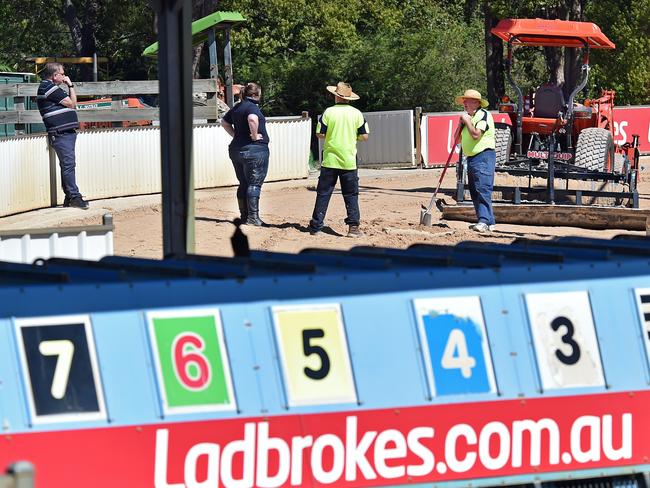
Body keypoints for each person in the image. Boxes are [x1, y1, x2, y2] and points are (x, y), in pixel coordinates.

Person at [308, 82, 369, 237]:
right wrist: (351, 136)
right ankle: (353, 228)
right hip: (348, 159)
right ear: (349, 98)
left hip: (330, 159)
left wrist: (333, 135)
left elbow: (319, 134)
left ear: (336, 96)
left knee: (323, 193)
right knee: (351, 194)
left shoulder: (328, 112)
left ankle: (316, 226)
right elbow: (364, 136)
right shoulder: (357, 114)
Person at [37, 62, 89, 209]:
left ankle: (69, 196)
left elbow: (72, 104)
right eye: (62, 73)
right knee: (68, 165)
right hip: (60, 133)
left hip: (66, 132)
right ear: (55, 75)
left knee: (67, 165)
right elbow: (73, 104)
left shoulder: (53, 88)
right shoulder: (48, 88)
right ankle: (74, 197)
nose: (65, 76)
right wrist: (70, 85)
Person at [221, 82, 270, 226]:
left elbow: (224, 122)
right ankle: (253, 218)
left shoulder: (238, 107)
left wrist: (236, 135)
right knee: (254, 184)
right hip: (254, 150)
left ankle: (244, 216)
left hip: (236, 149)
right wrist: (254, 136)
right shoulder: (252, 107)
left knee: (243, 183)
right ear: (255, 94)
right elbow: (252, 119)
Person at [453, 89, 496, 233]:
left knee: (482, 188)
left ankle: (483, 221)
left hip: (483, 156)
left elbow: (476, 134)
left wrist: (467, 121)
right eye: (464, 100)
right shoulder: (470, 118)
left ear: (477, 103)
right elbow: (456, 139)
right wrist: (461, 123)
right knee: (475, 190)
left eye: (468, 100)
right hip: (472, 157)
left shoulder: (483, 114)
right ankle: (488, 221)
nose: (464, 103)